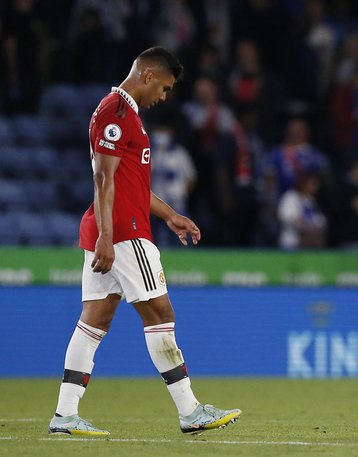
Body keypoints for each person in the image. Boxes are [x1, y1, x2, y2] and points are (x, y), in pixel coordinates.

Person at [48, 47, 241, 436]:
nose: (164, 97)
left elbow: (129, 182)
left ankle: (65, 415)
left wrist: (170, 215)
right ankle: (190, 410)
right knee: (160, 313)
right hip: (123, 231)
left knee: (93, 322)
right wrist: (107, 235)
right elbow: (103, 178)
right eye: (166, 88)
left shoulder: (123, 114)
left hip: (116, 228)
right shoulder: (116, 113)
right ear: (148, 75)